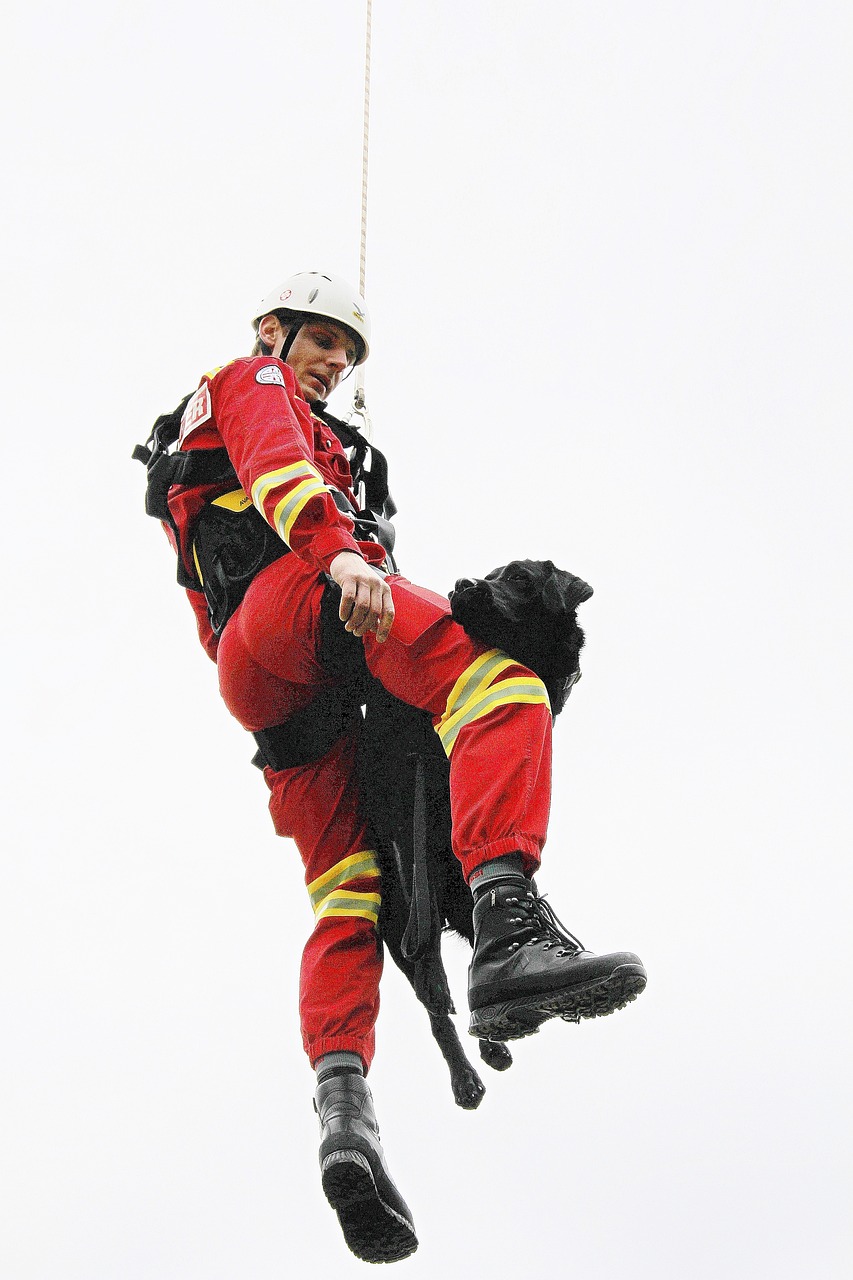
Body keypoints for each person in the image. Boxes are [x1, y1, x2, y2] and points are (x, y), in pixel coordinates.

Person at [152, 271, 646, 1264]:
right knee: (501, 687)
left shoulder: (311, 434)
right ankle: (508, 929)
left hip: (273, 693)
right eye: (323, 339)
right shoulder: (253, 379)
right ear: (274, 330)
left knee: (349, 892)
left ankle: (345, 1112)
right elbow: (281, 467)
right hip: (295, 605)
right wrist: (342, 555)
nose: (334, 360)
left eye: (347, 350)